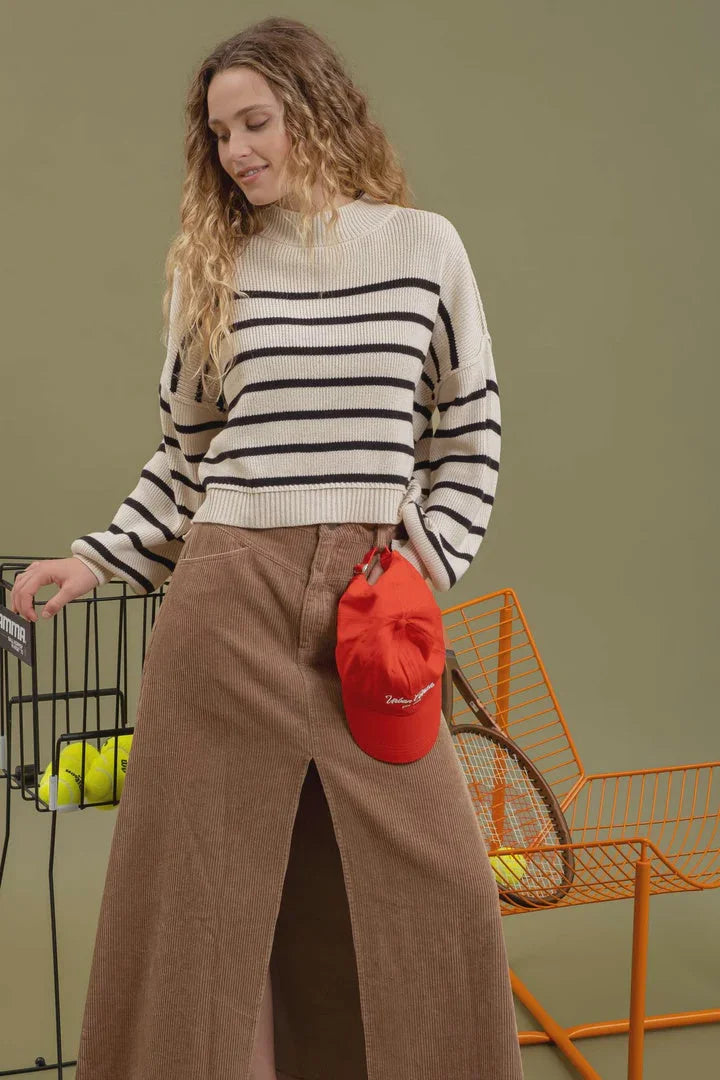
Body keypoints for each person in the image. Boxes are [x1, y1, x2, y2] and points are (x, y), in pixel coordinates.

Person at [10, 16, 523, 1080]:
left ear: (316, 111)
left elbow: (469, 438)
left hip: (367, 613)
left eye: (258, 122)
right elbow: (187, 461)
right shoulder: (215, 270)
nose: (240, 150)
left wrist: (418, 568)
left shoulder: (424, 248)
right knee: (197, 904)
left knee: (439, 886)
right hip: (223, 599)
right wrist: (92, 558)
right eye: (221, 133)